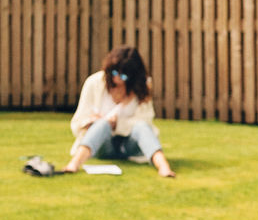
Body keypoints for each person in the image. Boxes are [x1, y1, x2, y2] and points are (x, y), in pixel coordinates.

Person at [63, 45, 175, 177]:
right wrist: (94, 122)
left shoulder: (142, 88)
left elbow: (145, 121)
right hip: (102, 145)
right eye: (115, 73)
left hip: (131, 145)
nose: (118, 78)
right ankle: (74, 164)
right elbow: (77, 123)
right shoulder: (94, 83)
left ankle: (163, 167)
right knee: (102, 124)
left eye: (124, 75)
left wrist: (118, 124)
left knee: (141, 127)